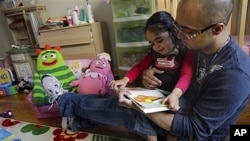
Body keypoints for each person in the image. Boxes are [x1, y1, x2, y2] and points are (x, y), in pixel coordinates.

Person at [42, 0, 250, 140]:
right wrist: (145, 73)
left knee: (128, 109)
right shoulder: (197, 43)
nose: (178, 36)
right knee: (123, 99)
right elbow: (165, 65)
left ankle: (66, 102)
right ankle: (78, 116)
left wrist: (140, 107)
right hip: (179, 103)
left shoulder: (235, 75)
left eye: (186, 31)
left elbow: (195, 130)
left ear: (217, 29)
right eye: (178, 27)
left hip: (195, 127)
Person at [110, 11, 194, 112]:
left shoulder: (185, 52)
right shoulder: (154, 53)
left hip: (173, 93)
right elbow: (139, 67)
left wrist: (175, 94)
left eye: (159, 41)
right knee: (121, 100)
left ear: (173, 32)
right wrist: (125, 80)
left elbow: (186, 75)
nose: (156, 47)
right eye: (152, 43)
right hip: (154, 92)